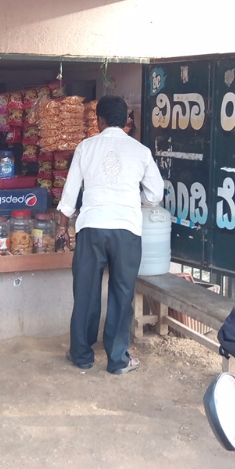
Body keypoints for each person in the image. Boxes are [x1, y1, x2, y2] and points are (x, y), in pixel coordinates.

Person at [57, 95, 164, 374]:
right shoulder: (140, 151)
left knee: (86, 292)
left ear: (99, 120)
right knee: (122, 293)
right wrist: (130, 197)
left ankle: (81, 355)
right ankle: (117, 360)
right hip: (127, 230)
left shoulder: (86, 147)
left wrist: (61, 227)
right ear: (127, 122)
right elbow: (155, 194)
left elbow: (70, 194)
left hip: (91, 227)